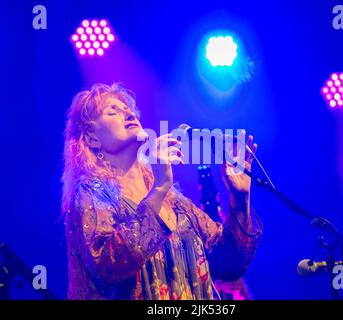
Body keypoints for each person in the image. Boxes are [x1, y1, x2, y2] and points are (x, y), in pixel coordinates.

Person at [62, 82, 263, 300]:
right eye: (113, 111)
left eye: (128, 109)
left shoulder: (174, 201)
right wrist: (159, 187)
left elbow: (229, 264)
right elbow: (106, 266)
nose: (129, 113)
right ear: (92, 138)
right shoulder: (92, 193)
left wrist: (240, 198)